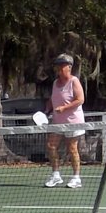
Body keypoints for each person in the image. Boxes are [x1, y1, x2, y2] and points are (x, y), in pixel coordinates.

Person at [43, 54, 86, 190]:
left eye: (63, 65)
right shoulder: (55, 83)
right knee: (51, 146)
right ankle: (56, 175)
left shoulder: (74, 81)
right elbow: (52, 99)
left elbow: (80, 99)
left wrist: (64, 108)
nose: (60, 68)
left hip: (73, 121)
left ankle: (76, 178)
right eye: (58, 66)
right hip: (57, 122)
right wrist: (46, 111)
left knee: (72, 148)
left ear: (69, 67)